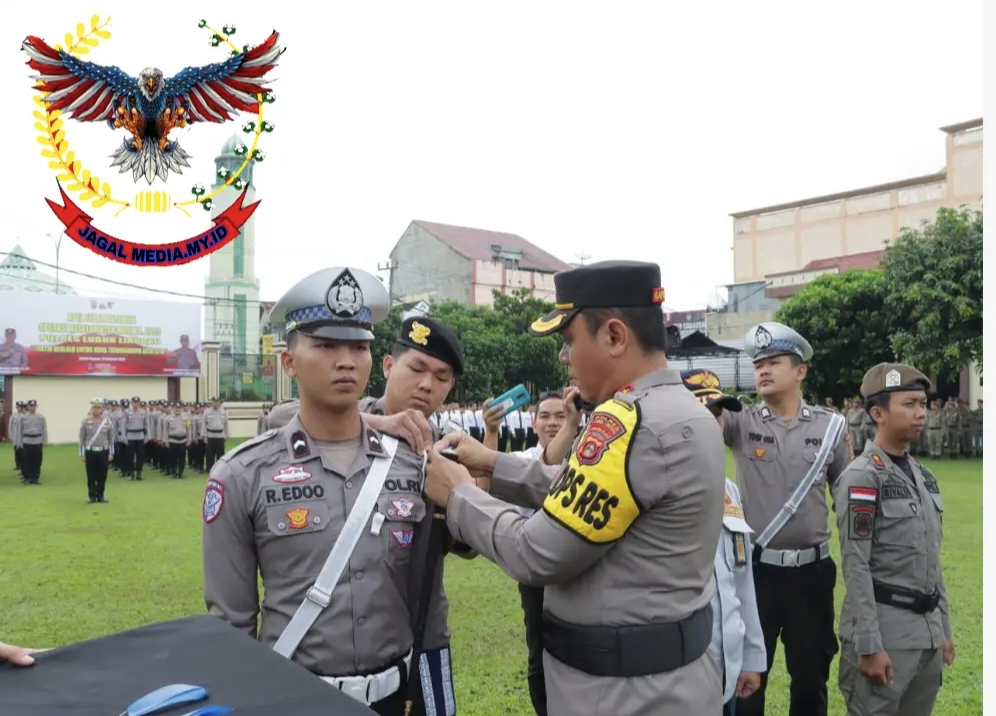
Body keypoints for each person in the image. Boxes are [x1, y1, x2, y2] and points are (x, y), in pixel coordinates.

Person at [424, 260, 726, 716]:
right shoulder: (682, 409)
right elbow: (592, 492)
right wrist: (491, 462)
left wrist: (459, 495)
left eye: (569, 340)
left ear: (615, 337)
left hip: (622, 694)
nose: (564, 357)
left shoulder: (630, 423)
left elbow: (534, 551)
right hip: (668, 679)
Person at [202, 267, 435, 716]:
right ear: (289, 363)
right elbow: (231, 626)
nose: (346, 360)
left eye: (359, 347)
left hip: (396, 698)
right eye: (326, 345)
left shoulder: (412, 465)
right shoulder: (242, 475)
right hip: (294, 700)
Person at [264, 314, 473, 716]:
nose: (426, 384)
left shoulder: (447, 448)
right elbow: (278, 417)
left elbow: (464, 545)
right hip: (322, 641)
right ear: (388, 366)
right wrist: (377, 424)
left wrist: (463, 495)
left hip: (420, 631)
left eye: (441, 377)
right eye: (417, 368)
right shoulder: (347, 409)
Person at [721, 322, 852, 716]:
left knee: (811, 683)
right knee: (747, 686)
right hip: (756, 574)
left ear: (800, 371)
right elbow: (700, 422)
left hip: (812, 576)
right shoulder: (740, 421)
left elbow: (846, 496)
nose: (763, 370)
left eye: (774, 362)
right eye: (758, 364)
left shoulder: (830, 427)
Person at [834, 363, 955, 716]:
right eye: (910, 404)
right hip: (886, 633)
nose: (921, 413)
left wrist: (943, 630)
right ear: (878, 413)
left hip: (926, 634)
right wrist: (868, 644)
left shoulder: (924, 476)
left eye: (923, 404)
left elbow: (932, 559)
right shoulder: (863, 476)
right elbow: (855, 564)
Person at [682, 369, 767, 716]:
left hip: (726, 668)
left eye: (717, 416)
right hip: (679, 676)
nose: (713, 425)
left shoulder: (728, 490)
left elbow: (741, 579)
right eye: (701, 415)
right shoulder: (652, 490)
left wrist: (751, 656)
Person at [498, 389, 582, 716]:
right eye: (545, 416)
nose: (552, 423)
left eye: (561, 416)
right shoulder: (524, 459)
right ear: (533, 424)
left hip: (581, 569)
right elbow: (535, 473)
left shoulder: (587, 457)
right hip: (536, 573)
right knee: (540, 650)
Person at [78, 398, 116, 503]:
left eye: (98, 408)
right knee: (91, 475)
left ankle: (101, 495)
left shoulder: (107, 422)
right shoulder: (85, 422)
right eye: (94, 407)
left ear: (102, 409)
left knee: (102, 475)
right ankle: (92, 496)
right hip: (90, 452)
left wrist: (111, 453)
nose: (96, 410)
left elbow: (111, 438)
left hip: (103, 451)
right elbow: (82, 438)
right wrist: (82, 453)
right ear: (91, 409)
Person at [17, 400, 47, 485]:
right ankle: (27, 478)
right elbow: (19, 431)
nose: (32, 408)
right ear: (28, 407)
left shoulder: (41, 417)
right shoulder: (23, 418)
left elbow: (44, 430)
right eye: (31, 406)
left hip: (37, 441)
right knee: (26, 461)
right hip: (27, 441)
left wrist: (44, 441)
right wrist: (19, 442)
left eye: (34, 406)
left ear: (36, 407)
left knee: (37, 461)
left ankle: (35, 478)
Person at [122, 396, 150, 480]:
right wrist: (123, 436)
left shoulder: (144, 412)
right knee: (130, 455)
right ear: (131, 403)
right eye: (134, 402)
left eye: (137, 402)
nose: (135, 404)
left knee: (140, 455)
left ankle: (139, 471)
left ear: (139, 403)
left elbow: (147, 425)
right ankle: (131, 472)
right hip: (130, 436)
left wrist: (147, 436)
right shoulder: (127, 412)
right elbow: (123, 425)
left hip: (140, 435)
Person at [202, 397, 229, 471]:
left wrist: (227, 434)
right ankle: (209, 468)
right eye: (214, 401)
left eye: (217, 401)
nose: (216, 403)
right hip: (210, 435)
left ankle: (219, 469)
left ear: (219, 402)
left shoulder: (224, 412)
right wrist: (204, 435)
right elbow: (204, 424)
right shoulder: (207, 412)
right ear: (212, 402)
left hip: (220, 436)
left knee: (220, 454)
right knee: (210, 454)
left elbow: (226, 424)